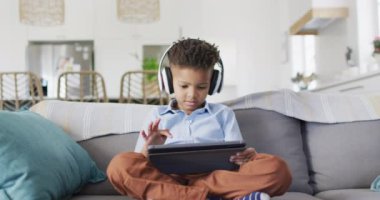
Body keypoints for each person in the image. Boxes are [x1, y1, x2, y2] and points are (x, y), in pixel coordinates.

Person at [107, 38, 292, 200]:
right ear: (168, 80)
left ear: (213, 84)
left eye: (201, 87)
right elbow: (139, 164)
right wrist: (149, 146)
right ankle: (214, 197)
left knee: (277, 169)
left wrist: (246, 158)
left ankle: (180, 195)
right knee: (119, 166)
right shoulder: (157, 115)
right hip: (168, 178)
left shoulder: (223, 114)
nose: (192, 95)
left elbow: (235, 163)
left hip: (215, 179)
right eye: (184, 86)